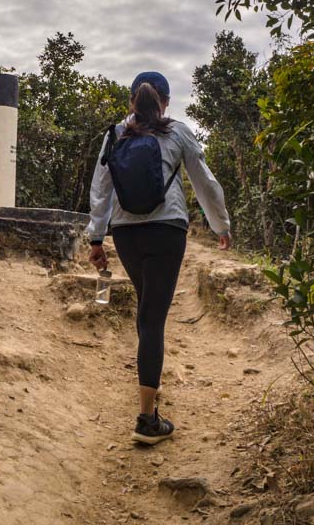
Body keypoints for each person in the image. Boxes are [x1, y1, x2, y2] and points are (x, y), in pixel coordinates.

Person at [87, 71, 231, 446]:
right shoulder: (177, 132)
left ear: (132, 101)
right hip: (167, 229)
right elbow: (205, 182)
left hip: (126, 233)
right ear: (164, 101)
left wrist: (96, 238)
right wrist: (221, 225)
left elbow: (100, 189)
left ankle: (149, 393)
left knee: (147, 313)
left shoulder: (115, 133)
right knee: (152, 318)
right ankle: (146, 418)